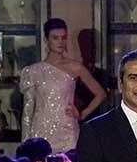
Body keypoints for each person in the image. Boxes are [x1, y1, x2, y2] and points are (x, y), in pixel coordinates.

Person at [19, 18, 107, 153]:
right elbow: (28, 110)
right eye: (55, 38)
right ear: (46, 40)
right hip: (40, 132)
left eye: (63, 38)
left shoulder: (75, 67)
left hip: (67, 131)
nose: (60, 42)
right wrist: (26, 143)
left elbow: (100, 94)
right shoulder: (34, 71)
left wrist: (82, 114)